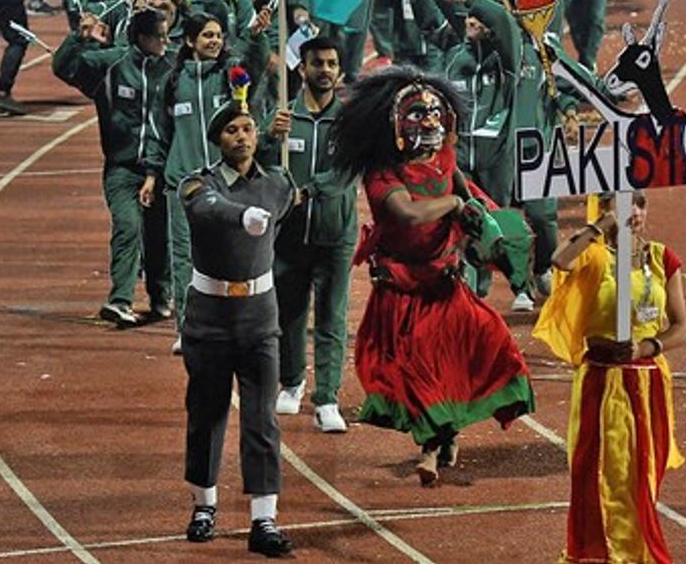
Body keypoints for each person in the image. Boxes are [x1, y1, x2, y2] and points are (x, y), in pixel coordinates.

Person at [329, 67, 535, 486]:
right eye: (418, 113)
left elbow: (463, 187)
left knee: (472, 350)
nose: (430, 121)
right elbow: (408, 211)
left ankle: (441, 439)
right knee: (421, 370)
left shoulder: (445, 158)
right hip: (403, 293)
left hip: (445, 284)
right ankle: (433, 444)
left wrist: (492, 224)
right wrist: (457, 205)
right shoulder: (381, 173)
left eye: (435, 112)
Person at [534, 192, 686, 563]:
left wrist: (645, 348)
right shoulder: (594, 255)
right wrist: (603, 225)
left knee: (642, 478)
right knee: (605, 475)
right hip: (601, 383)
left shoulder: (661, 258)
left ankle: (631, 551)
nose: (633, 212)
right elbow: (558, 259)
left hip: (647, 381)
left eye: (639, 203)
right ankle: (613, 555)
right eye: (620, 204)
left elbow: (680, 328)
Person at [177, 76, 295, 557]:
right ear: (217, 139)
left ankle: (263, 519)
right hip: (209, 317)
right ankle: (204, 503)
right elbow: (208, 208)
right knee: (205, 413)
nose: (242, 136)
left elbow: (297, 199)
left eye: (248, 128)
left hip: (259, 318)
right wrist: (240, 216)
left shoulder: (278, 184)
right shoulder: (196, 184)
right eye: (232, 131)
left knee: (262, 418)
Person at [149, 11, 268, 352]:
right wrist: (152, 173)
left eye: (218, 35)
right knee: (185, 258)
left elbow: (253, 70)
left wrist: (257, 37)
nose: (214, 41)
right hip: (184, 184)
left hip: (225, 183)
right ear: (189, 41)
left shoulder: (231, 76)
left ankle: (234, 323)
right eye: (207, 36)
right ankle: (188, 329)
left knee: (232, 256)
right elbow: (161, 132)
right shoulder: (173, 83)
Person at [52, 7, 174, 326]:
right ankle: (120, 299)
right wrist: (78, 39)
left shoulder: (173, 68)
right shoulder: (112, 64)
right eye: (160, 37)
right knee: (128, 226)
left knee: (158, 234)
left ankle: (161, 296)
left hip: (159, 169)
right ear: (143, 38)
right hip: (122, 167)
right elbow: (64, 68)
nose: (165, 42)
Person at [261, 36, 357, 433]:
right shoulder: (283, 116)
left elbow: (346, 172)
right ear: (302, 68)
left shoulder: (350, 122)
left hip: (335, 235)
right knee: (289, 312)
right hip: (289, 234)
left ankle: (328, 397)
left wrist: (309, 189)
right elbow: (260, 167)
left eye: (332, 63)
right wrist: (269, 137)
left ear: (340, 71)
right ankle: (292, 381)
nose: (325, 70)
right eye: (317, 62)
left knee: (332, 317)